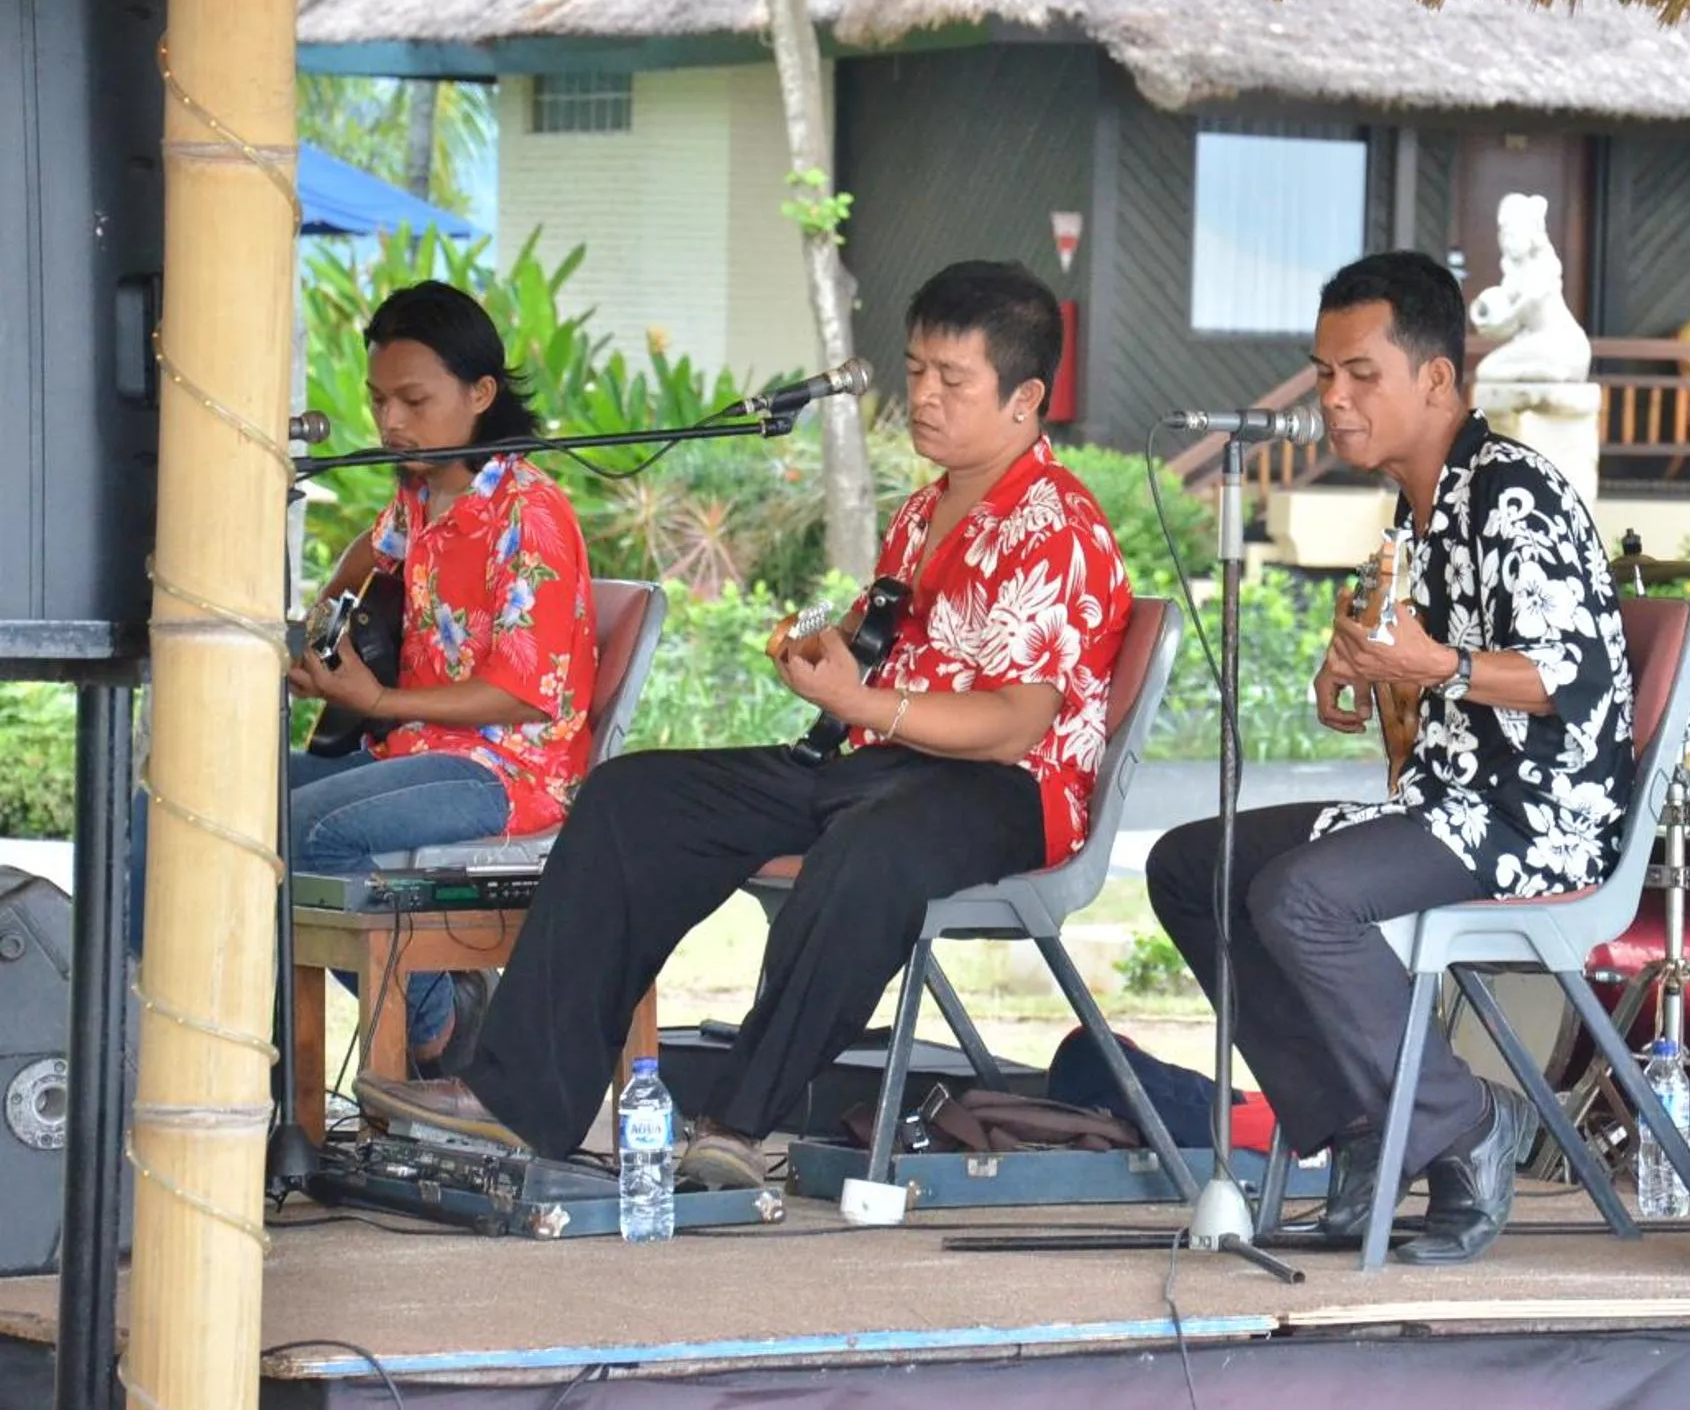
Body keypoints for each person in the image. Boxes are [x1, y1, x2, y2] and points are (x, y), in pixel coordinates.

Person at [357, 261, 1132, 1188]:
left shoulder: (1058, 523)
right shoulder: (927, 507)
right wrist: (824, 654)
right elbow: (887, 644)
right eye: (915, 369)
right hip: (884, 760)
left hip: (1003, 790)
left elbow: (1014, 723)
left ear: (1025, 397)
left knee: (870, 850)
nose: (921, 396)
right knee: (634, 796)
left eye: (950, 380)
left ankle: (738, 1124)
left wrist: (864, 704)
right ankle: (520, 1097)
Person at [1146, 251, 1635, 1265]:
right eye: (1324, 374)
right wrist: (1364, 667)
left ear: (1438, 381)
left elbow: (1567, 676)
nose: (1333, 398)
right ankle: (1371, 1121)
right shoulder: (1421, 508)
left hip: (1533, 821)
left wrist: (1432, 661)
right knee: (1191, 867)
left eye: (1360, 375)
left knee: (1299, 898)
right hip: (1449, 806)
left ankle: (1464, 1121)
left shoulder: (1512, 497)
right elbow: (1424, 665)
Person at [134, 279, 599, 1075]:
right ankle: (156, 1025)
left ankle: (435, 1022)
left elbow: (525, 695)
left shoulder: (529, 510)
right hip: (408, 753)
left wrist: (377, 699)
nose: (390, 422)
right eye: (380, 400)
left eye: (414, 401)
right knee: (180, 803)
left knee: (294, 831)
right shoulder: (419, 497)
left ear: (480, 394)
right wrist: (323, 641)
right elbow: (362, 562)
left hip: (506, 769)